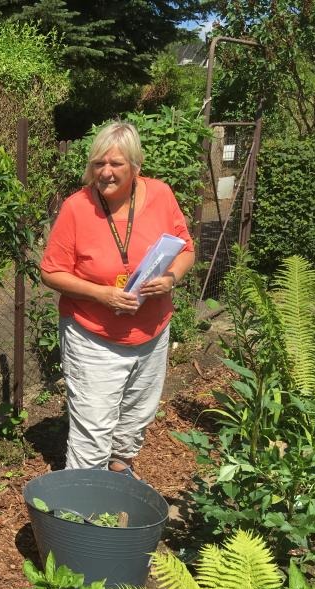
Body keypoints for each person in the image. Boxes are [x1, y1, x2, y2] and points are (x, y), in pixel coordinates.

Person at [40, 121, 195, 480]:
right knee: (93, 428)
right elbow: (50, 272)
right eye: (98, 164)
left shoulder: (160, 194)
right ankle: (81, 502)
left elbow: (185, 248)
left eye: (116, 164)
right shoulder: (77, 208)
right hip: (93, 335)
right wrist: (102, 294)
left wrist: (171, 278)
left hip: (152, 330)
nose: (105, 172)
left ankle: (119, 465)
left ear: (136, 167)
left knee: (137, 415)